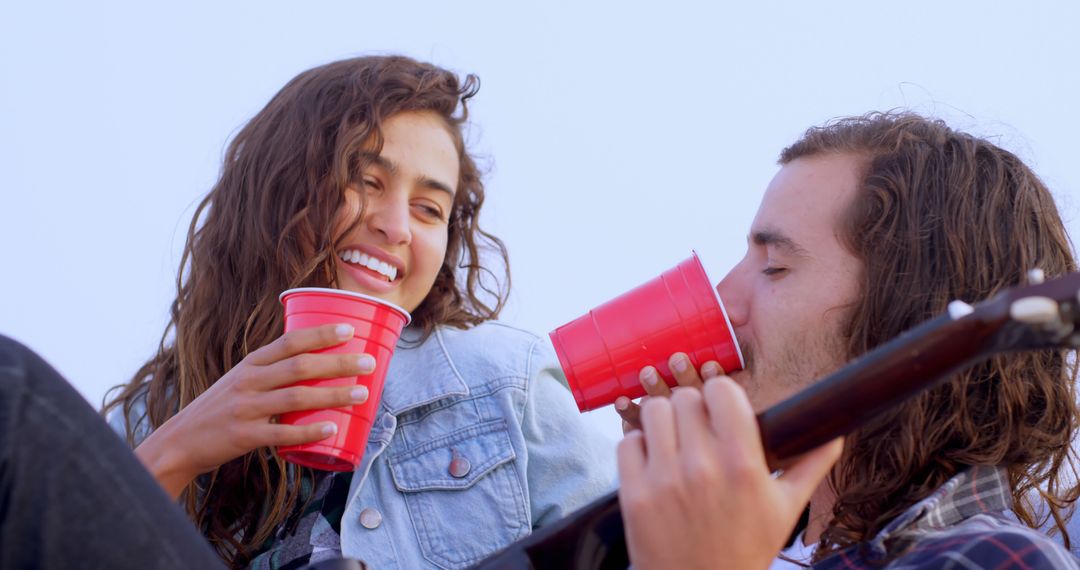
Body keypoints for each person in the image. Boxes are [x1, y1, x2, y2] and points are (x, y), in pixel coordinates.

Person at [101, 55, 615, 570]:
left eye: (429, 209)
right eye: (366, 181)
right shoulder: (144, 424)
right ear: (278, 187)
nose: (397, 228)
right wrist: (174, 455)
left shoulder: (505, 386)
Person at [615, 112, 1080, 568]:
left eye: (775, 265)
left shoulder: (992, 560)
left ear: (900, 307)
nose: (723, 300)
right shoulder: (724, 538)